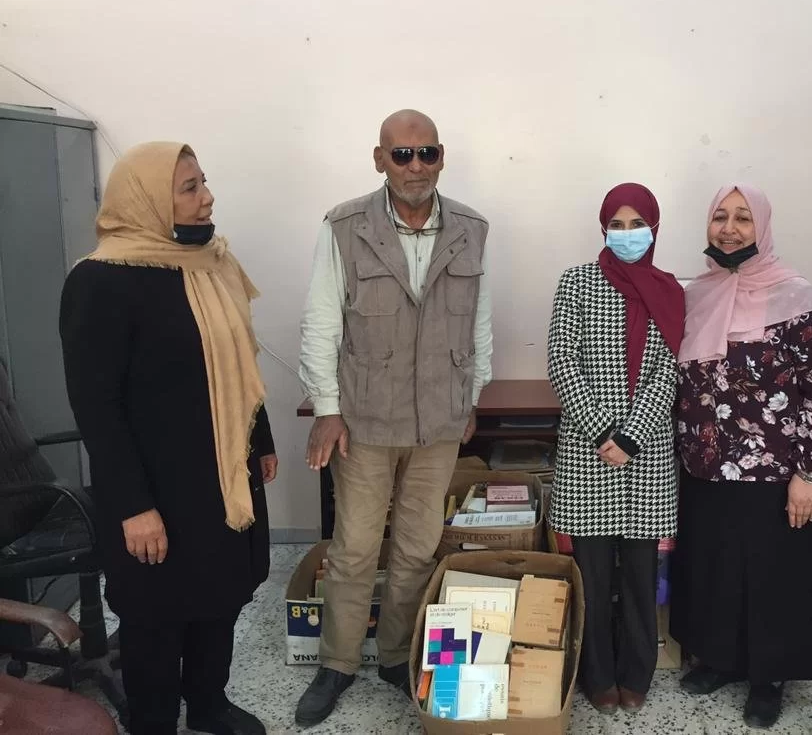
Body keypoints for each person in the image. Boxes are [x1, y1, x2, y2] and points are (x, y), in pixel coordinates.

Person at [59, 142, 276, 735]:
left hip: (223, 472)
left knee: (220, 594)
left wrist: (260, 439)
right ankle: (153, 720)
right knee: (156, 612)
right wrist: (133, 506)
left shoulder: (211, 264)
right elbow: (97, 408)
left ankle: (207, 704)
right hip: (154, 484)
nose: (207, 197)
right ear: (148, 200)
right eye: (188, 187)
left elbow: (240, 362)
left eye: (203, 181)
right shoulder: (100, 281)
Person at [295, 109, 492, 726]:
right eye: (401, 154)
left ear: (441, 157)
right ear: (379, 159)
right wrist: (328, 409)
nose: (415, 166)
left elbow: (480, 321)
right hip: (366, 421)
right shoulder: (345, 226)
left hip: (438, 421)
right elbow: (322, 322)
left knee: (416, 546)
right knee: (355, 548)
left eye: (426, 152)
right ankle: (337, 663)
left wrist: (471, 398)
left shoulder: (471, 229)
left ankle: (396, 655)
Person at [669, 184, 812, 729]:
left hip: (774, 470)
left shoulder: (796, 295)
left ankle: (769, 678)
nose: (729, 228)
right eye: (720, 216)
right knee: (716, 568)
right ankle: (721, 660)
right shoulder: (696, 294)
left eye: (743, 218)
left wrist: (809, 473)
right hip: (705, 467)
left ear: (762, 227)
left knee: (772, 576)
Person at [546, 183, 684, 715]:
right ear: (603, 229)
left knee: (641, 578)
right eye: (617, 225)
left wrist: (630, 436)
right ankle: (597, 675)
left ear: (655, 228)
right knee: (594, 577)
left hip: (647, 455)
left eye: (637, 224)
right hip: (588, 454)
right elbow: (561, 360)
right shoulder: (577, 282)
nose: (627, 234)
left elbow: (670, 370)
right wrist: (603, 432)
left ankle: (636, 673)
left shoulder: (670, 290)